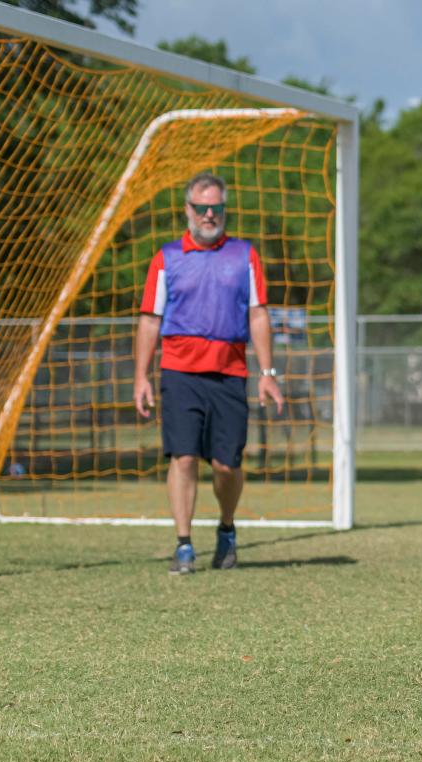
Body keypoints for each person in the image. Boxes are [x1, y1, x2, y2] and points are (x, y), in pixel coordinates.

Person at [134, 172, 284, 575]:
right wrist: (141, 376)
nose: (208, 214)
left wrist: (267, 372)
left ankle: (227, 528)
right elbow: (150, 320)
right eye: (201, 208)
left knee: (225, 465)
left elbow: (257, 314)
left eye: (216, 208)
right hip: (180, 374)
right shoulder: (166, 258)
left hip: (229, 374)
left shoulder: (244, 256)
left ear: (224, 210)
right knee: (183, 458)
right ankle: (183, 544)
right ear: (187, 210)